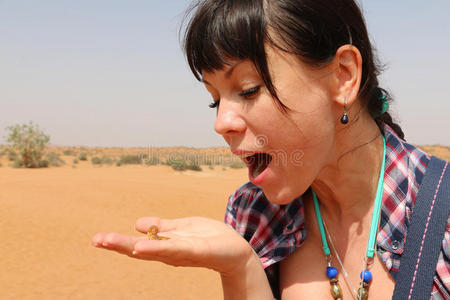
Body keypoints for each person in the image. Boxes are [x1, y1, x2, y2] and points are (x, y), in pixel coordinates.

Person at [92, 0, 449, 299]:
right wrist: (240, 268)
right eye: (214, 100)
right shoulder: (255, 216)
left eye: (248, 89)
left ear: (343, 75)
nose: (222, 123)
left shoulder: (441, 218)